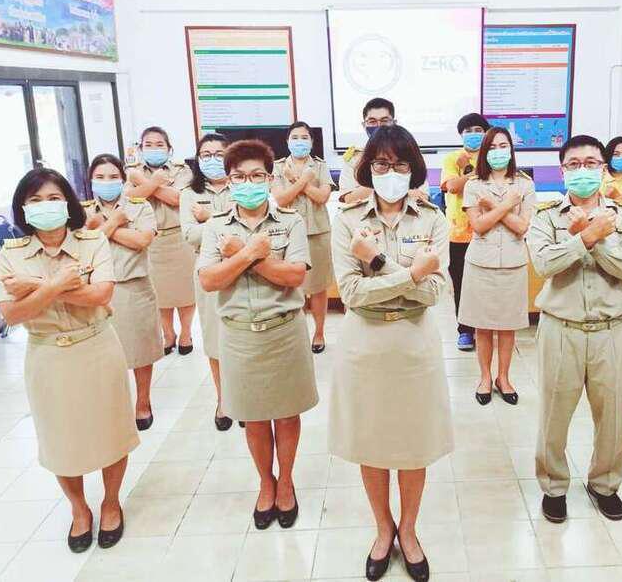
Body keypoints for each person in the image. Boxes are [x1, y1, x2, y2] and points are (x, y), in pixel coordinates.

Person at [329, 125, 452, 582]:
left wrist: (378, 263)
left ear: (414, 169)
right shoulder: (347, 220)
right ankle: (384, 529)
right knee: (373, 444)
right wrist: (410, 275)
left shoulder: (432, 219)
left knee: (414, 445)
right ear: (368, 169)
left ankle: (410, 530)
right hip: (365, 347)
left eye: (400, 164)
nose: (391, 172)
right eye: (381, 164)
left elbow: (433, 292)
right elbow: (351, 294)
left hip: (415, 346)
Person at [0, 168, 138, 552]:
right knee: (59, 438)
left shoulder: (92, 241)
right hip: (47, 355)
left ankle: (111, 502)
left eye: (54, 198)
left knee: (111, 430)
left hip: (97, 347)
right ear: (23, 208)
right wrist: (60, 284)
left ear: (68, 203)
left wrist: (37, 287)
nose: (45, 206)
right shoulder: (12, 253)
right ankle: (79, 508)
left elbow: (101, 295)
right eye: (35, 200)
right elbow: (13, 314)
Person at [197, 139, 318, 531]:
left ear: (269, 178)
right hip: (240, 336)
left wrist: (243, 257)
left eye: (256, 176)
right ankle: (266, 482)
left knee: (286, 413)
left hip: (284, 332)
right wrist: (250, 254)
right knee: (253, 418)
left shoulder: (291, 221)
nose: (248, 183)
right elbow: (209, 280)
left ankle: (286, 482)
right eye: (239, 177)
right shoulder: (216, 226)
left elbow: (294, 276)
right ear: (229, 181)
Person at [526, 135, 622, 523]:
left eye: (591, 163)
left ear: (603, 169)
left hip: (613, 329)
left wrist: (597, 241)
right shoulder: (546, 217)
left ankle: (605, 484)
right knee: (554, 415)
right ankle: (554, 486)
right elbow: (544, 264)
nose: (583, 171)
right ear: (562, 171)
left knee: (613, 417)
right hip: (562, 328)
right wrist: (585, 237)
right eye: (574, 164)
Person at [84, 154, 163, 431]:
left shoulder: (139, 206)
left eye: (113, 176)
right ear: (91, 180)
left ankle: (143, 402)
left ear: (123, 179)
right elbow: (84, 250)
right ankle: (116, 405)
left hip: (134, 286)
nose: (107, 182)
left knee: (142, 350)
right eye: (100, 177)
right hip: (97, 292)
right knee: (105, 355)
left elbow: (141, 240)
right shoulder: (82, 211)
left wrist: (102, 227)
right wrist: (115, 222)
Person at [457, 126, 535, 405]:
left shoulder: (524, 184)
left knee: (507, 326)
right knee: (483, 326)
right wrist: (504, 205)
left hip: (513, 263)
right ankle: (485, 378)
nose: (498, 152)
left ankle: (504, 377)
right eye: (492, 147)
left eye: (503, 146)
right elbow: (478, 226)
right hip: (481, 263)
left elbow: (522, 227)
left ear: (511, 150)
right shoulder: (474, 185)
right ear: (484, 152)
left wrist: (492, 206)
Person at [179, 133, 235, 431]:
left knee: (241, 337)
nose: (213, 160)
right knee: (214, 339)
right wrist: (225, 222)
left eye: (219, 154)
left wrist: (209, 217)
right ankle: (223, 399)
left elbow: (250, 229)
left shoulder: (244, 184)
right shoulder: (189, 193)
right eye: (206, 154)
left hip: (243, 269)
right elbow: (190, 235)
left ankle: (243, 398)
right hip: (208, 270)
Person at [125, 126, 196, 355]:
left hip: (179, 238)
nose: (154, 148)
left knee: (185, 291)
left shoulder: (182, 171)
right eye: (148, 145)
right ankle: (168, 334)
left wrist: (145, 183)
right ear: (140, 148)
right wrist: (152, 182)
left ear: (169, 148)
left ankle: (186, 333)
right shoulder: (133, 171)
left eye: (159, 144)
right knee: (159, 294)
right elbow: (128, 198)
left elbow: (178, 199)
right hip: (150, 241)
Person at [272, 122, 335, 353]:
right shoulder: (278, 166)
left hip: (317, 232)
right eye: (295, 137)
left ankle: (319, 333)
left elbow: (322, 197)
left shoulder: (320, 165)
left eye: (304, 137)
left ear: (312, 141)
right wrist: (302, 180)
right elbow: (281, 199)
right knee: (292, 286)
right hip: (286, 233)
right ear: (287, 141)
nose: (300, 141)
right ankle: (297, 333)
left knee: (318, 287)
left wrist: (296, 180)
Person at [440, 112, 490, 352]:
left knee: (488, 282)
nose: (473, 134)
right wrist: (474, 172)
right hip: (458, 233)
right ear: (461, 135)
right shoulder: (453, 158)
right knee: (461, 283)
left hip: (488, 229)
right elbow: (452, 186)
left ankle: (486, 327)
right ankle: (465, 330)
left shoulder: (493, 156)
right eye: (468, 131)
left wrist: (467, 174)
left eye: (478, 130)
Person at [339, 98, 430, 204]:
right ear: (364, 125)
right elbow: (348, 198)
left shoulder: (409, 153)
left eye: (384, 121)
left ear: (394, 123)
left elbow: (422, 197)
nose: (379, 126)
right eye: (372, 121)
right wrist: (387, 182)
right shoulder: (354, 158)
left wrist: (376, 184)